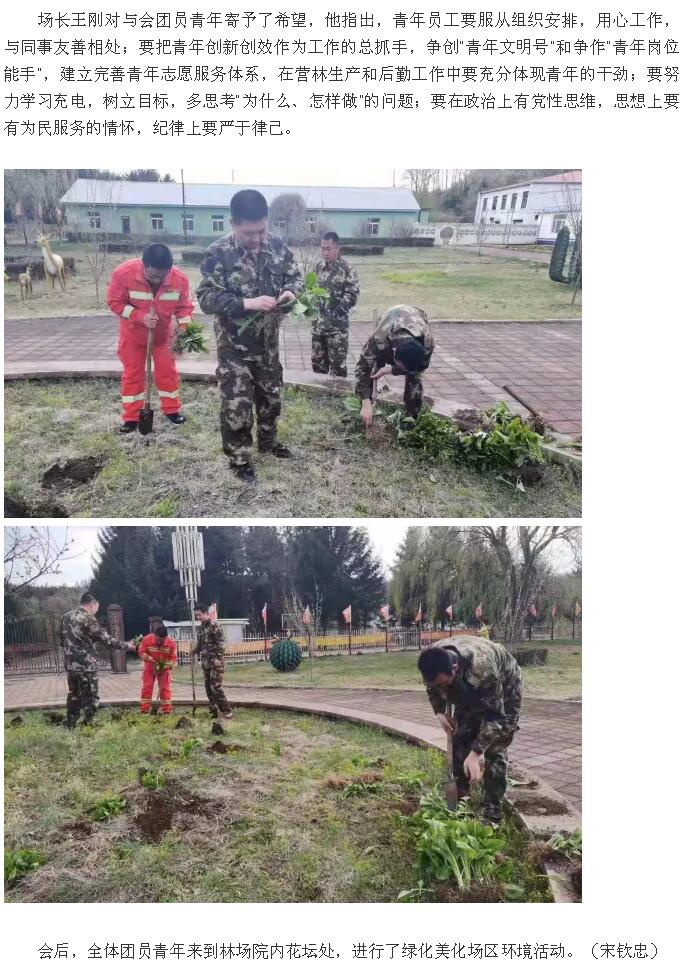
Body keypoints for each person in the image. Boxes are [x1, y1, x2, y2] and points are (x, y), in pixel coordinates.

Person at [195, 189, 303, 482]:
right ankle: (239, 458)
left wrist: (291, 291)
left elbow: (295, 277)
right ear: (233, 224)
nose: (256, 239)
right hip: (234, 346)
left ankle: (268, 442)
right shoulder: (218, 253)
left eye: (261, 231)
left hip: (268, 343)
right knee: (237, 403)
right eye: (248, 233)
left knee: (271, 397)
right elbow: (205, 297)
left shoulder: (277, 246)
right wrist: (246, 303)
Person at [417, 635, 522, 825]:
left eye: (443, 685)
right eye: (437, 685)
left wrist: (477, 752)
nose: (441, 690)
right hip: (465, 683)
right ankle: (460, 799)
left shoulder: (483, 669)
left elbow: (495, 717)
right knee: (460, 736)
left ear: (454, 668)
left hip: (506, 686)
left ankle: (492, 812)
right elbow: (432, 687)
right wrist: (439, 711)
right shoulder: (431, 660)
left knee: (495, 746)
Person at [106, 243, 195, 433]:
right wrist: (140, 316)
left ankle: (172, 410)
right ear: (143, 265)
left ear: (169, 268)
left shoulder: (179, 279)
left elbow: (184, 307)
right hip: (133, 336)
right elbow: (115, 302)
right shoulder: (123, 273)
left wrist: (184, 327)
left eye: (161, 276)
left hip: (163, 337)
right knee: (133, 375)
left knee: (167, 373)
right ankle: (131, 417)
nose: (156, 280)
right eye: (152, 275)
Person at [60, 592, 135, 728]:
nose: (96, 610)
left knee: (74, 694)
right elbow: (106, 640)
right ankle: (88, 724)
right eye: (97, 607)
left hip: (70, 665)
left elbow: (62, 641)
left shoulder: (65, 617)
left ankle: (71, 722)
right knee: (90, 695)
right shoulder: (89, 619)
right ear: (92, 604)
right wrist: (126, 645)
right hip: (86, 665)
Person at [355, 304, 434, 426]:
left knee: (415, 380)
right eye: (400, 367)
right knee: (372, 368)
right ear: (394, 354)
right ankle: (365, 411)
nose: (401, 371)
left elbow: (420, 368)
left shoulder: (427, 345)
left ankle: (411, 419)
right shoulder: (379, 338)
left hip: (416, 318)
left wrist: (391, 370)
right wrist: (365, 402)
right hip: (392, 318)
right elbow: (362, 368)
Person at [311, 231, 359, 377]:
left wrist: (332, 314)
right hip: (318, 329)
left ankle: (338, 393)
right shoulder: (318, 267)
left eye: (328, 249)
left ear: (337, 249)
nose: (325, 253)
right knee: (318, 367)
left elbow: (351, 296)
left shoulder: (347, 270)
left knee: (338, 370)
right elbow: (311, 291)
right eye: (323, 248)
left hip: (336, 330)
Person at [192, 603, 233, 720]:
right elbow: (200, 645)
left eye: (199, 614)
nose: (198, 617)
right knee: (208, 688)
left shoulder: (215, 625)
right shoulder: (202, 628)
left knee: (215, 687)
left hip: (215, 663)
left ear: (206, 613)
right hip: (206, 663)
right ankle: (214, 710)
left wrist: (218, 658)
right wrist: (193, 651)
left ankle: (226, 711)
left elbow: (221, 643)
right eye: (196, 615)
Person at [138, 623, 177, 715]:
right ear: (155, 635)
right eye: (158, 639)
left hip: (163, 668)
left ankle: (167, 711)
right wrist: (151, 659)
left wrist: (167, 666)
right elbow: (141, 652)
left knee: (164, 689)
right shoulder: (147, 639)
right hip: (150, 667)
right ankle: (144, 710)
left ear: (165, 638)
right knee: (147, 687)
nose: (160, 642)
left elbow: (173, 658)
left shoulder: (171, 643)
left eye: (162, 640)